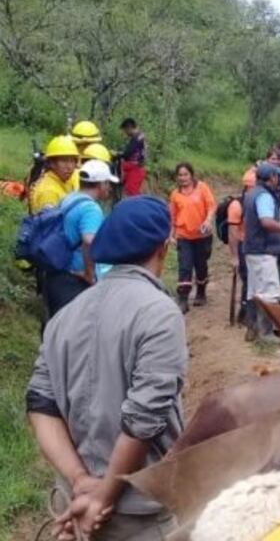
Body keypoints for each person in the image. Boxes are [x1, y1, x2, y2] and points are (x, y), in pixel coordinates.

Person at [26, 196, 185, 541]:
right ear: (163, 247)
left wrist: (80, 481)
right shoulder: (160, 313)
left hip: (75, 504)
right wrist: (104, 494)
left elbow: (41, 404)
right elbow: (144, 420)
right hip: (139, 513)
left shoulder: (65, 315)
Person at [43, 159, 118, 322]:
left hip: (56, 271)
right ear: (102, 184)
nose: (110, 188)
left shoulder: (69, 198)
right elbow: (89, 241)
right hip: (74, 279)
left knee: (55, 326)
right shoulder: (91, 208)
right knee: (73, 329)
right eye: (108, 184)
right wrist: (89, 274)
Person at [243, 162, 280, 342]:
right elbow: (266, 222)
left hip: (252, 248)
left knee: (254, 290)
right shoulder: (265, 197)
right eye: (277, 176)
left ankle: (252, 329)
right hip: (263, 249)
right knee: (269, 291)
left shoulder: (252, 193)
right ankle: (266, 332)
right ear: (272, 178)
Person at [168, 162, 217, 313]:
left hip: (202, 235)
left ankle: (201, 292)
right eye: (180, 175)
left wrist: (208, 220)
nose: (183, 178)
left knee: (201, 265)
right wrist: (170, 235)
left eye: (185, 174)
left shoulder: (202, 188)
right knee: (184, 266)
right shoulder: (175, 195)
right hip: (184, 236)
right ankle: (183, 298)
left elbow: (211, 205)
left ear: (191, 175)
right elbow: (172, 217)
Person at [227, 171, 252, 326]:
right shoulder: (237, 206)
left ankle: (248, 311)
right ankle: (245, 312)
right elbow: (233, 233)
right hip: (244, 245)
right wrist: (234, 256)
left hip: (256, 245)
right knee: (248, 278)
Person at [29, 136, 79, 214]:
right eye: (64, 161)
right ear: (52, 163)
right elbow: (50, 225)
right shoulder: (48, 193)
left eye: (72, 161)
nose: (69, 166)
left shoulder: (64, 180)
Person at [119, 118, 146, 197]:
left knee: (132, 192)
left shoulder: (137, 138)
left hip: (136, 168)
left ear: (129, 127)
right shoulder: (139, 137)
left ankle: (137, 208)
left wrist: (118, 154)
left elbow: (128, 152)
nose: (125, 133)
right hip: (136, 167)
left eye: (125, 130)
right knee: (130, 190)